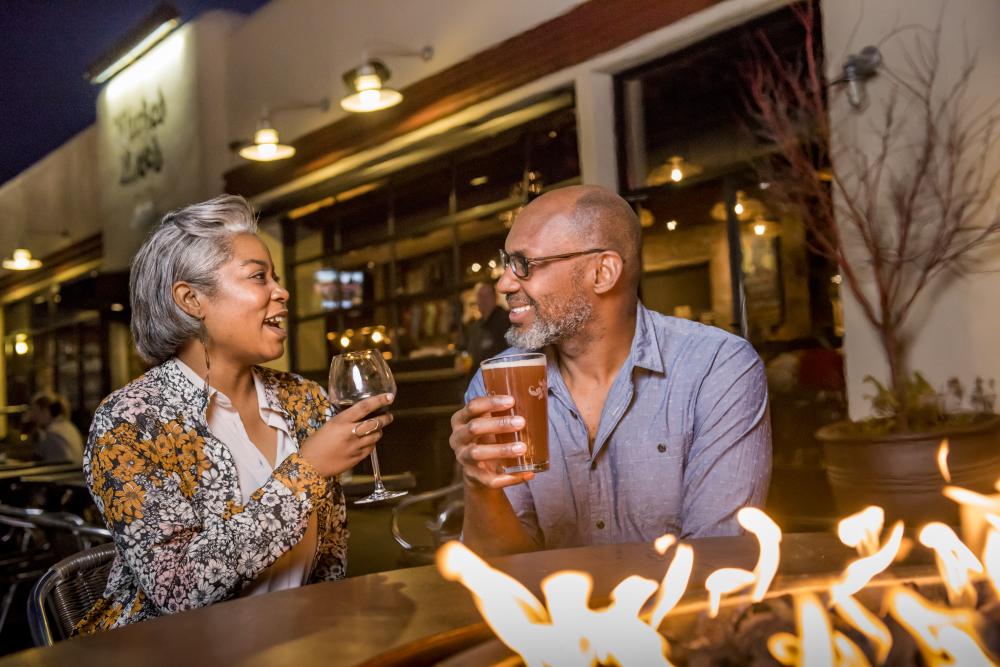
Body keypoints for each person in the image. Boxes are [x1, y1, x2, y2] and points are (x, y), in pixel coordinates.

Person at [77, 195, 394, 633]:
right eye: (258, 277)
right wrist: (307, 471)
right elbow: (180, 589)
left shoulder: (306, 399)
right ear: (191, 300)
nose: (281, 292)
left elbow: (329, 558)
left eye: (276, 278)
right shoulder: (129, 423)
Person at [449, 185, 771, 556]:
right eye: (506, 263)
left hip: (677, 612)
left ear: (602, 272)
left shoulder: (715, 367)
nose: (504, 283)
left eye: (523, 264)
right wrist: (479, 487)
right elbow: (500, 569)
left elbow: (718, 558)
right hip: (549, 615)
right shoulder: (498, 382)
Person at [25, 391, 84, 465]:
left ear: (45, 411)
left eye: (35, 411)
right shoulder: (69, 426)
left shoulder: (53, 434)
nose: (33, 416)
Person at [465, 281, 511, 367]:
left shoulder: (507, 320)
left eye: (487, 295)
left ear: (495, 298)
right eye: (480, 296)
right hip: (478, 376)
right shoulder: (475, 327)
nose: (483, 299)